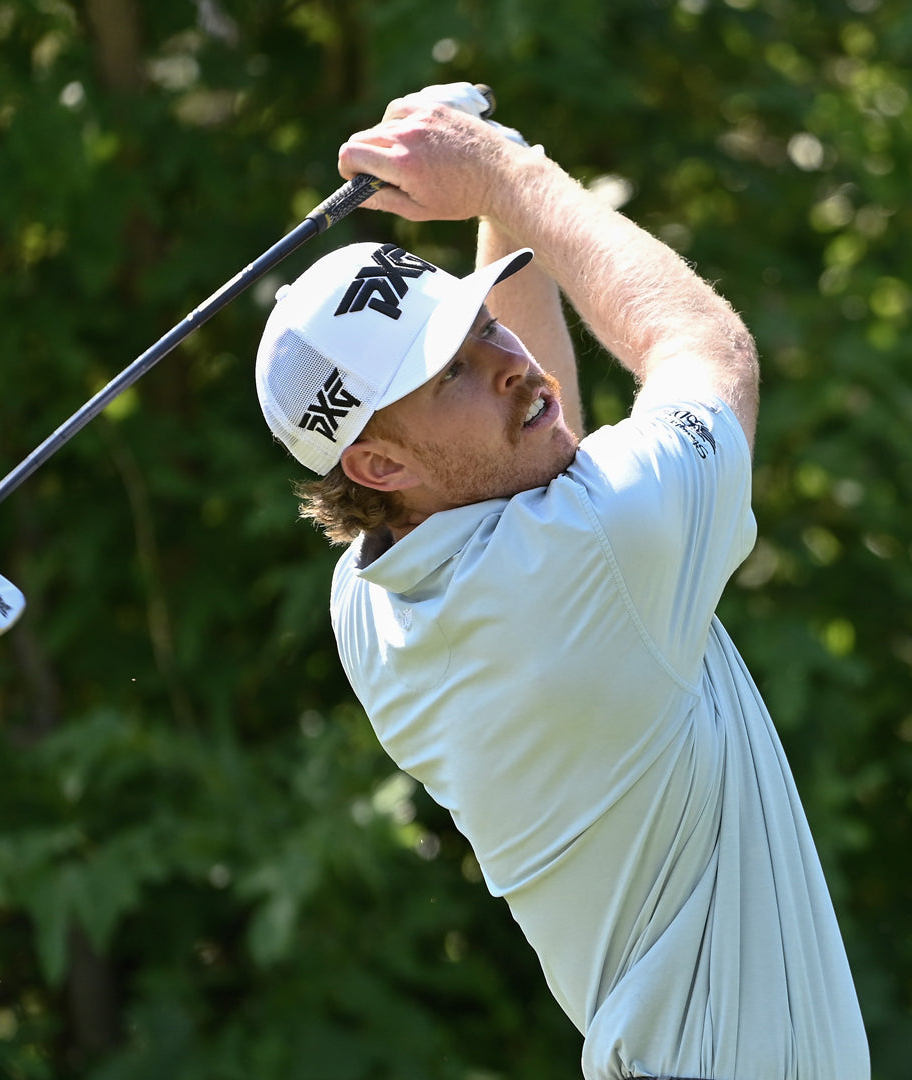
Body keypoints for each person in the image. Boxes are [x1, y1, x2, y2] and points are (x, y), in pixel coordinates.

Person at [255, 83, 870, 1080]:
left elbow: (541, 451)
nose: (509, 362)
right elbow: (709, 350)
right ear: (379, 463)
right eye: (451, 373)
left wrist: (493, 180)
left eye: (479, 322)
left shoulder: (369, 602)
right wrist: (508, 173)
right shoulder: (595, 549)